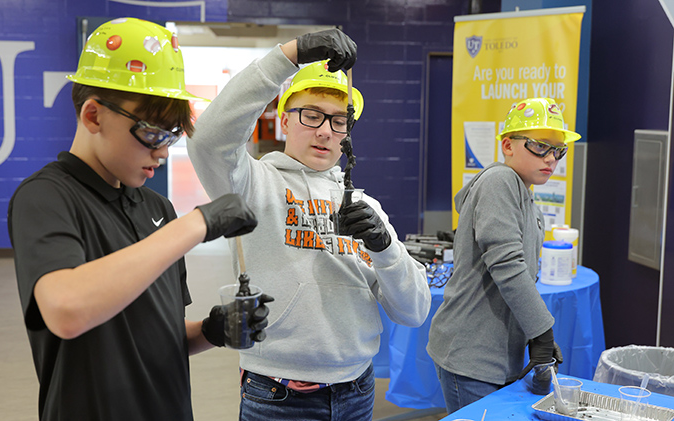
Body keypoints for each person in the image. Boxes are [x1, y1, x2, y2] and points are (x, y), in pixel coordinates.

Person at [7, 17, 271, 421]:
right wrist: (197, 224)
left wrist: (212, 331)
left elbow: (158, 335)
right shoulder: (46, 197)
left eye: (172, 136)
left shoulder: (157, 209)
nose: (163, 152)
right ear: (93, 116)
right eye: (152, 134)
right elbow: (65, 310)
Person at [186, 29, 431, 420]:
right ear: (285, 119)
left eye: (338, 121)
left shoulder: (365, 206)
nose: (324, 131)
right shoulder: (251, 184)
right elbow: (207, 140)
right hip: (277, 396)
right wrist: (288, 55)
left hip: (356, 391)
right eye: (311, 115)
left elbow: (415, 311)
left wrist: (385, 248)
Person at [427, 98, 577, 413]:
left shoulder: (526, 196)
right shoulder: (499, 182)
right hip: (471, 354)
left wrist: (536, 333)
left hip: (497, 353)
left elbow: (521, 274)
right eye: (540, 146)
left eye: (558, 150)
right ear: (508, 145)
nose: (551, 158)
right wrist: (542, 331)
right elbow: (508, 267)